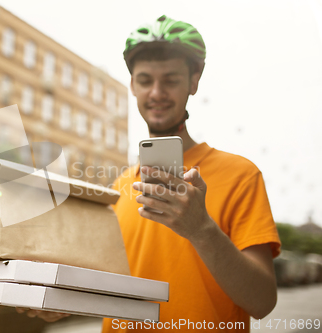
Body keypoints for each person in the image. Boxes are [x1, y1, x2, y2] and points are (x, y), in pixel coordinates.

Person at [18, 15, 281, 332]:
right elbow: (106, 286)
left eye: (170, 80)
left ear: (194, 81)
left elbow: (263, 302)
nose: (156, 92)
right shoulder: (121, 185)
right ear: (132, 85)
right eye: (145, 80)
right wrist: (57, 298)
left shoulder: (240, 175)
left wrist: (201, 230)